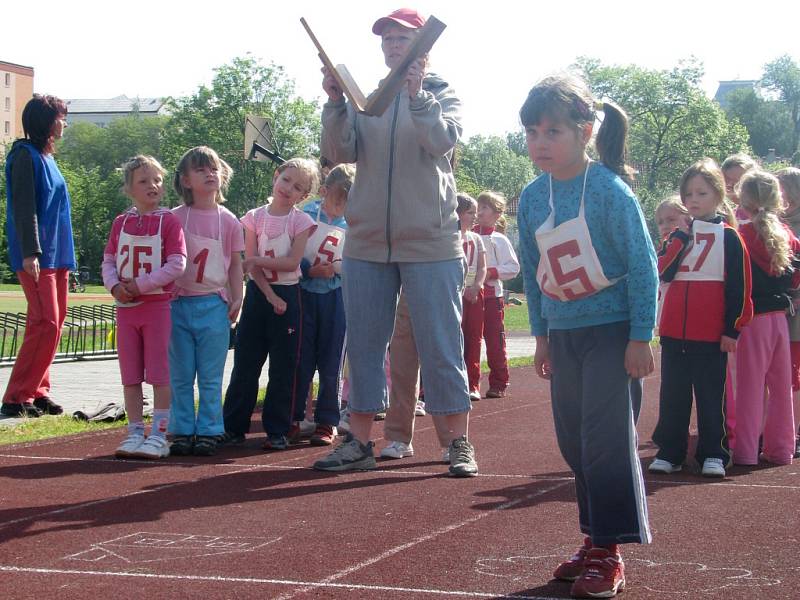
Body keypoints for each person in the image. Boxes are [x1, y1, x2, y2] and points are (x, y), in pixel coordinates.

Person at [315, 7, 477, 477]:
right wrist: (335, 104)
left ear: (423, 44)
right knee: (363, 345)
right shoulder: (368, 99)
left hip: (430, 240)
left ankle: (458, 442)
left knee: (441, 343)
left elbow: (442, 141)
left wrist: (419, 96)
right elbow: (339, 153)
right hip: (366, 241)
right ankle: (359, 442)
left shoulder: (442, 92)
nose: (390, 45)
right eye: (385, 39)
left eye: (400, 38)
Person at [517, 74, 657, 599]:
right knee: (574, 441)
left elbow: (643, 266)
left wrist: (641, 334)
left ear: (586, 130)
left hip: (614, 330)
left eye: (553, 131)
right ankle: (593, 536)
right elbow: (533, 273)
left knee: (604, 440)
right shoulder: (531, 198)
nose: (540, 142)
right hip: (565, 332)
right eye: (532, 132)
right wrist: (543, 335)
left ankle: (610, 550)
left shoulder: (609, 191)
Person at [651, 158, 752, 478]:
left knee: (711, 397)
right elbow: (663, 273)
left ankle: (714, 452)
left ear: (718, 196)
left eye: (702, 193)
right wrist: (680, 238)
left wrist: (731, 330)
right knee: (673, 396)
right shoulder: (675, 236)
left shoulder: (730, 238)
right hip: (674, 333)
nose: (693, 200)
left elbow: (740, 287)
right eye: (689, 194)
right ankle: (670, 451)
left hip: (710, 335)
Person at [221, 158, 317, 450]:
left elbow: (290, 262)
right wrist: (268, 294)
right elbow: (251, 267)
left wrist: (259, 263)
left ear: (304, 196)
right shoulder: (253, 217)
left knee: (283, 367)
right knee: (246, 363)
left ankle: (278, 430)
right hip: (261, 297)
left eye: (298, 187)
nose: (289, 188)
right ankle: (233, 427)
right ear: (276, 177)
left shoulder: (301, 222)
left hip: (289, 297)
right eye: (286, 180)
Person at [102, 155, 186, 459]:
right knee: (131, 375)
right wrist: (115, 286)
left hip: (157, 307)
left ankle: (159, 434)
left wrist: (142, 284)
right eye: (143, 181)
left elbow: (177, 263)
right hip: (127, 309)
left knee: (160, 373)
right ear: (128, 189)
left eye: (157, 180)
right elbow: (109, 259)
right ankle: (135, 431)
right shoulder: (121, 222)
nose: (152, 185)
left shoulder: (169, 221)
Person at [168, 147, 244, 457]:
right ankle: (183, 429)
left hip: (213, 304)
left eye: (213, 168)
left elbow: (236, 263)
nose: (209, 174)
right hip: (178, 305)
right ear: (186, 181)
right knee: (181, 373)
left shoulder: (228, 220)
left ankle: (211, 429)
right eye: (201, 170)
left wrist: (238, 296)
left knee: (211, 375)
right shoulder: (174, 218)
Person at [2, 95, 75, 418]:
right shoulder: (23, 156)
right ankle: (16, 397)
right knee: (45, 323)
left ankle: (38, 391)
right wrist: (31, 252)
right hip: (37, 256)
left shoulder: (48, 157)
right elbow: (24, 207)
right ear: (47, 121)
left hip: (58, 255)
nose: (65, 123)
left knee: (53, 324)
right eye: (61, 117)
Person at [732, 169, 799, 466]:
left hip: (752, 319)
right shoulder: (788, 237)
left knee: (750, 388)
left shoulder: (741, 236)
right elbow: (795, 279)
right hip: (780, 320)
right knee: (781, 387)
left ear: (742, 201)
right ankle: (782, 448)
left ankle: (746, 452)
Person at [293, 163, 355, 446]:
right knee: (300, 360)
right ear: (324, 191)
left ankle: (327, 421)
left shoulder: (354, 224)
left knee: (331, 364)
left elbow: (357, 260)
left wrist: (339, 268)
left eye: (348, 201)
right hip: (303, 294)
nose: (341, 206)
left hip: (335, 298)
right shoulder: (304, 215)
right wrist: (307, 270)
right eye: (337, 198)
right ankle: (294, 417)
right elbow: (288, 249)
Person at [473, 191, 518, 399]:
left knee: (495, 341)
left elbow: (512, 267)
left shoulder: (498, 239)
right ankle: (470, 383)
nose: (479, 212)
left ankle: (499, 382)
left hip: (492, 297)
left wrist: (489, 272)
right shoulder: (467, 235)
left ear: (497, 214)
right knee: (470, 341)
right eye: (478, 207)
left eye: (484, 208)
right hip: (469, 296)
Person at [777, 167, 800, 458]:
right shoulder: (775, 226)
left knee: (795, 374)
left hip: (796, 312)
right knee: (786, 375)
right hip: (781, 311)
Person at [458, 193, 487, 402]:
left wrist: (476, 286)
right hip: (453, 294)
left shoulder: (476, 239)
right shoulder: (447, 237)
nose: (474, 217)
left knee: (473, 339)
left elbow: (482, 267)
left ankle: (472, 384)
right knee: (451, 340)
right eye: (470, 213)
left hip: (474, 295)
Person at [722, 153, 757, 224]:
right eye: (727, 179)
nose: (729, 184)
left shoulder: (763, 215)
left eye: (737, 181)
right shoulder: (731, 216)